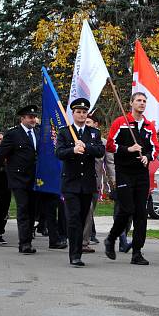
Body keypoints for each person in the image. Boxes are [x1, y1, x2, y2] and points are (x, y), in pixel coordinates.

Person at [104, 92, 159, 265]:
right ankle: (111, 238)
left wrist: (148, 157)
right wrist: (128, 149)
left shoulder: (149, 126)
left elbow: (155, 148)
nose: (142, 103)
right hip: (124, 172)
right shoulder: (121, 122)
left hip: (141, 173)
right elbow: (110, 145)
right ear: (131, 103)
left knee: (141, 213)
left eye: (144, 101)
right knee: (127, 209)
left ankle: (137, 252)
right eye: (139, 100)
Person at [56, 98, 105, 266]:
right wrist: (73, 150)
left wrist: (86, 147)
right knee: (74, 218)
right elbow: (59, 152)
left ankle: (78, 250)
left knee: (83, 217)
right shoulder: (65, 132)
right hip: (71, 182)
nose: (82, 114)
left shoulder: (93, 133)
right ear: (73, 114)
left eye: (84, 112)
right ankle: (75, 255)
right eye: (78, 112)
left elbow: (100, 151)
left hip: (87, 183)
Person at [0, 105, 40, 255]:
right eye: (30, 117)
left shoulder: (38, 132)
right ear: (22, 118)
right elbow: (1, 154)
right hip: (18, 178)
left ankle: (28, 238)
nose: (33, 119)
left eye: (34, 117)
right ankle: (24, 243)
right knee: (23, 209)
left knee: (31, 210)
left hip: (34, 178)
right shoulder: (13, 134)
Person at [82, 112, 115, 252]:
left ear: (96, 125)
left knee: (89, 212)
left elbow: (110, 163)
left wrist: (113, 182)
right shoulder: (76, 138)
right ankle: (80, 241)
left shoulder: (103, 143)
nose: (86, 125)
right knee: (81, 211)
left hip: (94, 183)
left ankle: (83, 240)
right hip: (76, 181)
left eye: (89, 122)